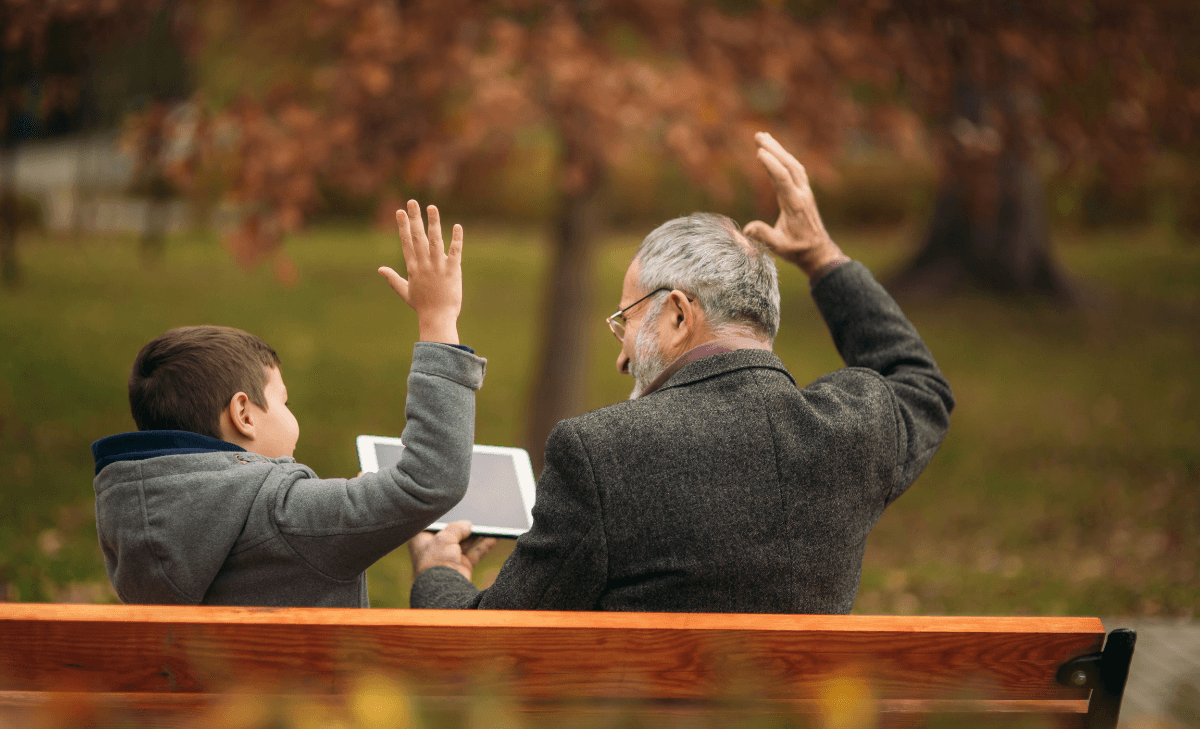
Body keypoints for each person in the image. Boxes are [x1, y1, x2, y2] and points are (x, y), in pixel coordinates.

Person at [408, 134, 955, 613]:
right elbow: (920, 384)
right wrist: (823, 258)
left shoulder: (601, 454)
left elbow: (494, 639)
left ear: (677, 313)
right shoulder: (858, 427)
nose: (621, 357)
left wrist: (440, 573)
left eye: (626, 321)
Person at [91, 201, 484, 607]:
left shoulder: (127, 521)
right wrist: (438, 317)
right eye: (284, 401)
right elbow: (431, 478)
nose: (292, 415)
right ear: (243, 414)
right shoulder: (286, 516)